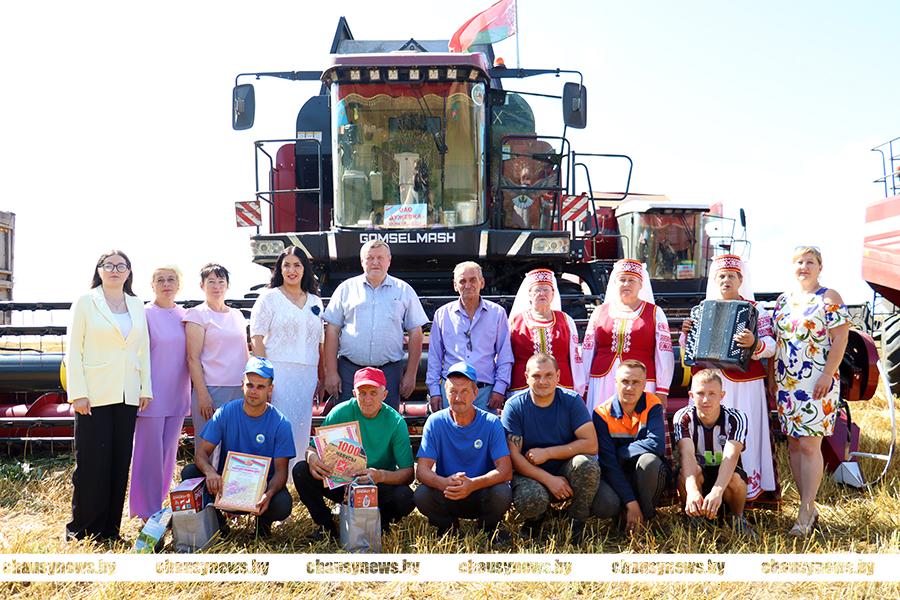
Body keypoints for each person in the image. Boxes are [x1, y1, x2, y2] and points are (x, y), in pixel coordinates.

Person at [64, 250, 152, 542]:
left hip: (127, 393)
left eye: (121, 265)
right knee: (92, 463)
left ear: (129, 272)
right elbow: (73, 350)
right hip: (94, 393)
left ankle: (109, 530)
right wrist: (78, 393)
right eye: (108, 265)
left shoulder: (137, 304)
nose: (115, 270)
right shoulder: (86, 302)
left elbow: (143, 350)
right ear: (99, 270)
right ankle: (82, 529)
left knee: (118, 461)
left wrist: (145, 388)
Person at [679, 254, 777, 500]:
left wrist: (754, 343)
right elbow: (690, 350)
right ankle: (704, 489)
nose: (726, 280)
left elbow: (771, 345)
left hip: (744, 384)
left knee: (745, 433)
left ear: (740, 279)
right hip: (709, 384)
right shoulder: (701, 310)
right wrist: (686, 335)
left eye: (731, 276)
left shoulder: (757, 310)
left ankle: (744, 491)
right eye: (721, 276)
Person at [772, 246, 850, 536]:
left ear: (820, 267)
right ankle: (808, 507)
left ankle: (806, 508)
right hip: (786, 382)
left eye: (810, 262)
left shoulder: (829, 297)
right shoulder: (782, 301)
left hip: (817, 381)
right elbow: (777, 342)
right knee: (793, 443)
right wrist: (772, 378)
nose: (804, 267)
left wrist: (828, 374)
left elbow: (841, 338)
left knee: (809, 444)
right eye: (799, 262)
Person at [293, 367, 415, 540]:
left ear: (385, 394)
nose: (367, 399)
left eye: (373, 393)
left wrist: (379, 475)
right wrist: (312, 458)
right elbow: (313, 448)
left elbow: (408, 474)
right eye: (362, 393)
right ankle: (326, 525)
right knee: (301, 470)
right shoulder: (340, 412)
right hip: (341, 482)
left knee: (405, 497)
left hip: (376, 484)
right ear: (353, 393)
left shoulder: (396, 422)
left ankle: (381, 523)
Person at [181, 356, 295, 537]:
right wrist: (211, 473)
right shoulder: (225, 413)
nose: (254, 391)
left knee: (282, 503)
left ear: (270, 389)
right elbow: (201, 453)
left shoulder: (281, 423)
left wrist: (269, 493)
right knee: (190, 474)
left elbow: (281, 472)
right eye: (250, 385)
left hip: (260, 491)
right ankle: (218, 525)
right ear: (242, 384)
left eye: (260, 386)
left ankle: (262, 527)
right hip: (224, 487)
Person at [502, 354, 599, 541]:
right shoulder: (514, 406)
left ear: (558, 376)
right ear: (526, 377)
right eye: (536, 376)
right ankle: (536, 520)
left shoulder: (572, 401)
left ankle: (577, 523)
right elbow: (514, 457)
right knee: (531, 499)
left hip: (565, 469)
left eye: (548, 375)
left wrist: (548, 453)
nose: (543, 381)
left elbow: (591, 444)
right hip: (530, 473)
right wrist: (549, 480)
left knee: (586, 464)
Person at [323, 240, 428, 410]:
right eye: (369, 258)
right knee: (347, 430)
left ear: (389, 260)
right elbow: (332, 330)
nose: (375, 262)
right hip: (350, 372)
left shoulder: (404, 290)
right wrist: (331, 372)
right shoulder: (345, 289)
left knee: (385, 430)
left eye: (380, 257)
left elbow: (416, 332)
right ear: (362, 261)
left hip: (388, 373)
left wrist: (410, 374)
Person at [414, 361, 513, 541]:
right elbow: (422, 471)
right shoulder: (435, 422)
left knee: (502, 492)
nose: (458, 397)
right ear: (445, 393)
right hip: (448, 491)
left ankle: (488, 528)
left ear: (476, 393)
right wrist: (444, 483)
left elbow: (505, 471)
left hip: (481, 490)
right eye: (453, 391)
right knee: (422, 494)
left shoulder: (491, 423)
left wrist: (472, 484)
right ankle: (448, 527)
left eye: (464, 391)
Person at [250, 246, 324, 467]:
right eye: (287, 265)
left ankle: (297, 479)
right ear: (279, 269)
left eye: (297, 265)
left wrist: (322, 375)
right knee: (277, 426)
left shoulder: (315, 302)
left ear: (305, 269)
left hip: (307, 374)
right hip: (278, 372)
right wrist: (264, 377)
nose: (292, 270)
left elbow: (320, 342)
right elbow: (257, 338)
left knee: (301, 426)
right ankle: (273, 478)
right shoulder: (269, 298)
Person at [130, 265, 190, 521]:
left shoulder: (186, 315)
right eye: (160, 280)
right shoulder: (143, 314)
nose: (166, 284)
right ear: (152, 285)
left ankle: (159, 508)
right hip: (150, 396)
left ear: (179, 285)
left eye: (171, 279)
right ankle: (146, 511)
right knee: (147, 456)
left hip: (178, 395)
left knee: (167, 457)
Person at [582, 259, 674, 413]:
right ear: (614, 283)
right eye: (622, 280)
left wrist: (662, 388)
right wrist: (584, 384)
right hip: (603, 380)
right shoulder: (600, 311)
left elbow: (664, 353)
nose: (626, 284)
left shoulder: (654, 312)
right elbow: (588, 349)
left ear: (640, 284)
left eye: (632, 280)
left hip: (640, 380)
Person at [673, 369, 754, 536]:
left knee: (735, 478)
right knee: (686, 473)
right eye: (700, 393)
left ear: (722, 395)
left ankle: (737, 518)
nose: (705, 399)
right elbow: (686, 454)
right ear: (691, 395)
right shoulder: (683, 417)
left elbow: (731, 456)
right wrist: (692, 490)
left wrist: (717, 491)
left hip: (725, 478)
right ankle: (693, 518)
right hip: (699, 476)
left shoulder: (736, 417)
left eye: (712, 393)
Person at [591, 360, 669, 532]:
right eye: (625, 381)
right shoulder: (601, 413)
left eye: (636, 382)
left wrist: (622, 452)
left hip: (643, 473)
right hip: (615, 474)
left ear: (644, 384)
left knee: (649, 461)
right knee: (604, 504)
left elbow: (657, 445)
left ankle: (646, 517)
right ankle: (623, 514)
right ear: (616, 382)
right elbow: (609, 465)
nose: (630, 387)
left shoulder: (653, 404)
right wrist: (630, 503)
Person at [426, 261, 513, 414]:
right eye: (462, 281)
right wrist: (434, 391)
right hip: (451, 393)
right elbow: (434, 357)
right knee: (451, 437)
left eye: (473, 280)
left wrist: (500, 388)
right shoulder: (442, 314)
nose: (468, 285)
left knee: (483, 437)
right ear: (455, 285)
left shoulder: (497, 314)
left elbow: (505, 355)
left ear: (482, 282)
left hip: (485, 394)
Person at [184, 263, 250, 455]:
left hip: (239, 390)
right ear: (202, 285)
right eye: (211, 281)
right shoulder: (197, 314)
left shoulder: (237, 315)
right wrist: (202, 394)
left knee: (236, 446)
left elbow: (244, 352)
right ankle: (207, 485)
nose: (216, 286)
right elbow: (192, 358)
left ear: (227, 285)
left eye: (221, 281)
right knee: (209, 448)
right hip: (212, 390)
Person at [507, 268, 585, 397]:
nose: (542, 293)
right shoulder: (516, 321)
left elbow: (574, 356)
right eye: (537, 290)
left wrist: (580, 386)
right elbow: (507, 356)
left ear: (553, 294)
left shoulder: (565, 320)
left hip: (561, 385)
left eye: (546, 289)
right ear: (529, 294)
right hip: (523, 387)